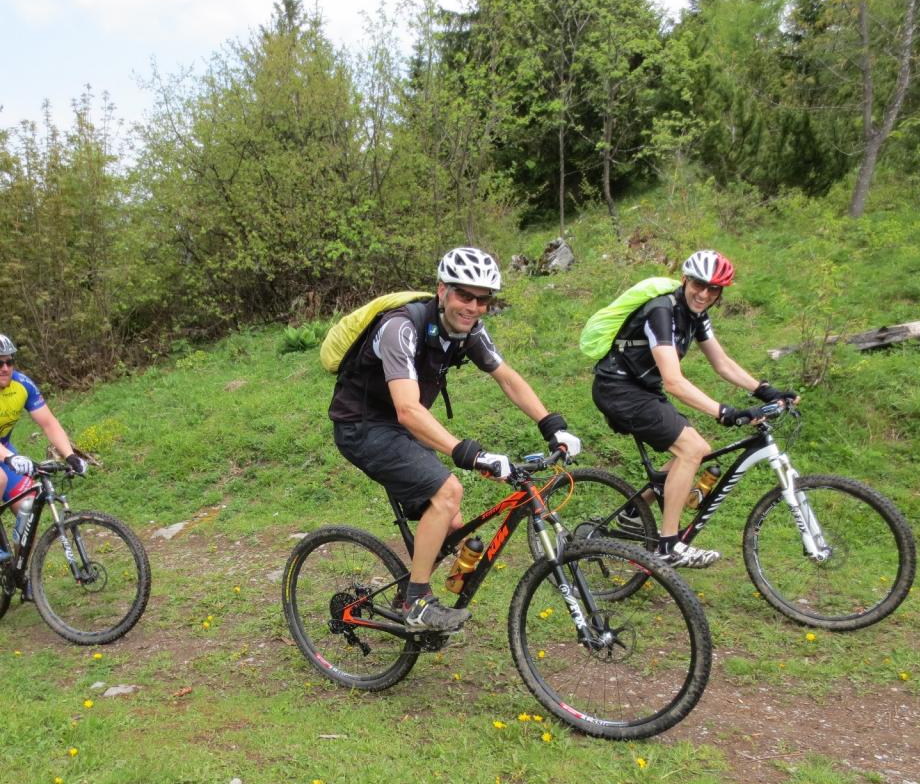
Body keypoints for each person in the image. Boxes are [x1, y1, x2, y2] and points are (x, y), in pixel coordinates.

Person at [329, 247, 582, 633]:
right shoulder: (401, 327)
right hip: (362, 425)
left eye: (484, 299)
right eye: (466, 295)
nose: (475, 307)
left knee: (452, 521)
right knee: (448, 492)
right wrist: (470, 453)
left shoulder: (469, 330)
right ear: (442, 290)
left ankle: (406, 596)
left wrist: (551, 424)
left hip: (402, 424)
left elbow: (507, 378)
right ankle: (416, 602)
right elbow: (408, 410)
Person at [590, 249, 797, 568]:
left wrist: (764, 390)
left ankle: (634, 512)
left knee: (696, 451)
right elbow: (673, 381)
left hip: (641, 390)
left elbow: (722, 362)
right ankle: (668, 546)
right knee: (691, 449)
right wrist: (724, 411)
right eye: (699, 285)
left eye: (713, 289)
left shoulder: (696, 315)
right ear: (685, 280)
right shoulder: (661, 311)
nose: (704, 294)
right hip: (617, 388)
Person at [0, 332, 88, 564]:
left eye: (9, 361)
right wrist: (10, 457)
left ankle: (19, 571)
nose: (5, 368)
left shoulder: (22, 384)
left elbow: (48, 423)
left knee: (28, 506)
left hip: (0, 449)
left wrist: (70, 455)